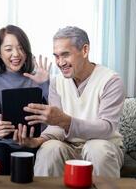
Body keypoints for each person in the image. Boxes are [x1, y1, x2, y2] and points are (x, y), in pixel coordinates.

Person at [14, 26, 124, 178]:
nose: (60, 62)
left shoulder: (111, 80)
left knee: (97, 150)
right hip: (68, 145)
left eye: (65, 55)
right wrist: (37, 140)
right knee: (49, 149)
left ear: (85, 50)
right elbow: (57, 129)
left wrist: (66, 121)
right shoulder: (56, 82)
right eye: (56, 56)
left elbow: (107, 128)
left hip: (104, 144)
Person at [0, 25, 51, 175]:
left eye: (21, 48)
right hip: (2, 143)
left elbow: (55, 113)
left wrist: (45, 83)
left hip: (34, 141)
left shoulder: (38, 79)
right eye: (8, 49)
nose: (16, 54)